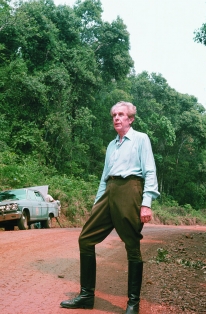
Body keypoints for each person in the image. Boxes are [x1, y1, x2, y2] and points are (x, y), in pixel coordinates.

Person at [60, 101, 160, 313]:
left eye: (121, 114)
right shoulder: (111, 145)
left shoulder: (141, 139)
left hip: (131, 189)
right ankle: (86, 296)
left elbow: (150, 171)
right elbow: (104, 178)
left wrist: (146, 203)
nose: (116, 118)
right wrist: (98, 203)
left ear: (130, 119)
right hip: (110, 190)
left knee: (131, 245)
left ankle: (133, 304)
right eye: (114, 114)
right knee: (85, 239)